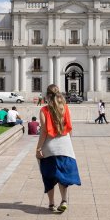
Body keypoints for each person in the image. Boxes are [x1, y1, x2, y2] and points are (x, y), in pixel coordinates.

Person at [36, 84, 81, 213]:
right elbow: (70, 128)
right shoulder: (65, 108)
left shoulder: (44, 110)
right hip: (65, 145)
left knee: (49, 175)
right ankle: (64, 200)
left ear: (47, 95)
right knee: (62, 175)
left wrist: (38, 148)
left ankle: (51, 204)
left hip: (49, 146)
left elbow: (44, 131)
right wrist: (68, 143)